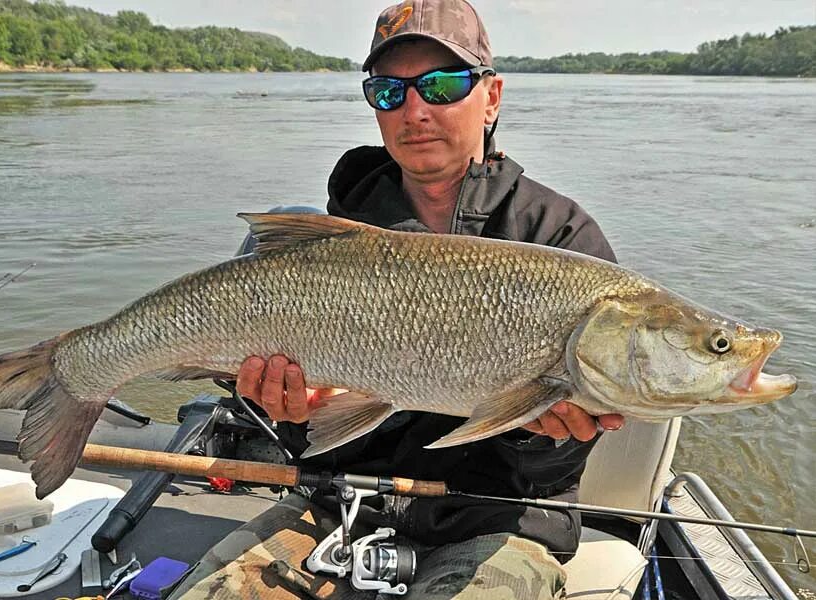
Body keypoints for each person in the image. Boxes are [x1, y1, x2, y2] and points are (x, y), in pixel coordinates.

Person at [169, 1, 623, 598]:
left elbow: (550, 477)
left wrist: (536, 433)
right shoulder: (337, 233)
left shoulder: (561, 240)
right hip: (337, 508)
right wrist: (290, 413)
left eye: (441, 84)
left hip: (501, 523)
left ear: (491, 96)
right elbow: (313, 438)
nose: (415, 111)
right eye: (389, 92)